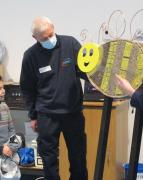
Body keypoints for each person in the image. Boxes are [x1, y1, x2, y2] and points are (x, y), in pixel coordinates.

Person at [20, 16, 88, 180]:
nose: (50, 39)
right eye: (45, 38)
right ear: (35, 38)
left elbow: (86, 69)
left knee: (78, 157)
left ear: (54, 28)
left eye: (51, 34)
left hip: (73, 112)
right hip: (47, 114)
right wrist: (33, 116)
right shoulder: (30, 56)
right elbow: (27, 89)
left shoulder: (70, 44)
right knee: (49, 159)